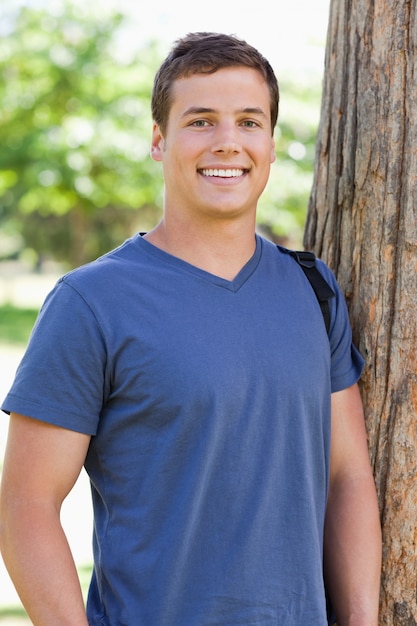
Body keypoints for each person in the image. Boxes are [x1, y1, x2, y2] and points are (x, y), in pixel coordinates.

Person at [0, 32, 381, 625]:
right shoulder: (92, 303)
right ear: (160, 140)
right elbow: (27, 507)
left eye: (249, 122)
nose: (228, 143)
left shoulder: (313, 290)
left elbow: (349, 475)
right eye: (201, 121)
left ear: (272, 144)